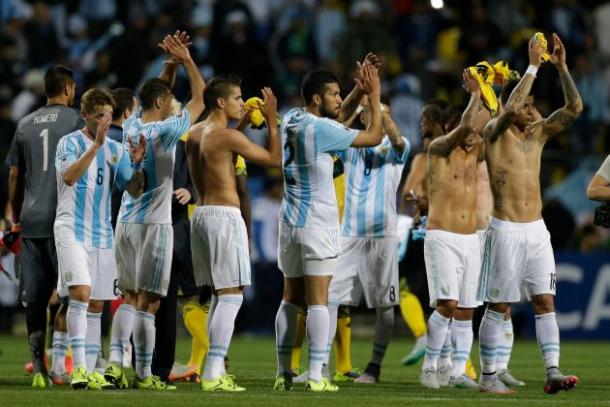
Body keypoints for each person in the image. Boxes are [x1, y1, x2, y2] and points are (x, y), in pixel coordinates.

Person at [477, 33, 582, 394]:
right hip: (504, 229)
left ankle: (552, 370)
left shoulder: (537, 136)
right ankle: (488, 377)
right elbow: (506, 110)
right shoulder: (494, 133)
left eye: (535, 105)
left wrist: (563, 68)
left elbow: (574, 109)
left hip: (537, 231)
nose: (533, 110)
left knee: (544, 300)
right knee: (500, 303)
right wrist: (534, 65)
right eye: (528, 105)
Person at [273, 59, 384, 393]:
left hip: (289, 221)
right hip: (317, 224)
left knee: (290, 298)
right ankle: (318, 375)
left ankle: (284, 373)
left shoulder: (292, 118)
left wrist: (356, 90)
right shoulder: (321, 130)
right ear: (317, 99)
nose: (340, 99)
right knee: (320, 299)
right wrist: (374, 95)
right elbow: (374, 136)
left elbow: (334, 120)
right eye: (334, 94)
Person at [104, 32, 205, 390]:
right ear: (162, 102)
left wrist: (169, 66)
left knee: (128, 298)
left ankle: (115, 365)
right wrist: (188, 61)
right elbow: (201, 98)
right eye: (168, 100)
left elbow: (156, 94)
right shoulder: (166, 129)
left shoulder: (131, 126)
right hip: (154, 226)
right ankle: (145, 375)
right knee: (152, 303)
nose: (174, 105)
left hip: (126, 223)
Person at [187, 75, 280, 392]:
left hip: (201, 214)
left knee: (218, 292)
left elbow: (219, 155)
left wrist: (240, 125)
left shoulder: (196, 133)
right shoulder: (225, 136)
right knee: (232, 294)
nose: (243, 103)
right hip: (225, 215)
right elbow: (273, 160)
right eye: (238, 98)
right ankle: (213, 371)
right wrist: (271, 120)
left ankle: (213, 368)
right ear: (220, 102)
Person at [54, 88, 146, 390]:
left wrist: (137, 163)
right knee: (80, 294)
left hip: (103, 234)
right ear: (84, 116)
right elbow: (69, 177)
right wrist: (95, 147)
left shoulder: (116, 150)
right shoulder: (68, 143)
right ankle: (78, 368)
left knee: (96, 304)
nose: (105, 122)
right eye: (98, 117)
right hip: (71, 229)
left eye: (108, 116)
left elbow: (132, 189)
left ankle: (93, 370)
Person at [5, 65, 79, 388]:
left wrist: (17, 213)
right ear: (68, 89)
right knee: (70, 294)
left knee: (35, 298)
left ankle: (39, 369)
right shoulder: (78, 120)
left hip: (32, 219)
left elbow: (14, 175)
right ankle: (64, 363)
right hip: (65, 219)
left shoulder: (24, 124)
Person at [327, 97, 409, 384]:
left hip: (383, 237)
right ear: (362, 120)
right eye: (370, 114)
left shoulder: (396, 147)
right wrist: (361, 104)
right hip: (349, 235)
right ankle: (319, 369)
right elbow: (334, 127)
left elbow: (398, 141)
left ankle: (374, 368)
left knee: (385, 310)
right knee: (330, 299)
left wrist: (376, 105)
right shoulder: (350, 147)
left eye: (384, 114)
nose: (377, 117)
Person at [419, 70, 487, 390]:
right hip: (442, 236)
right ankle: (431, 365)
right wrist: (474, 95)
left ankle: (458, 371)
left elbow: (493, 122)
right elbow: (466, 128)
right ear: (452, 127)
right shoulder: (437, 150)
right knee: (446, 304)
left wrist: (489, 89)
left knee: (466, 309)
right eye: (468, 129)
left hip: (470, 238)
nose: (474, 134)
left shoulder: (475, 154)